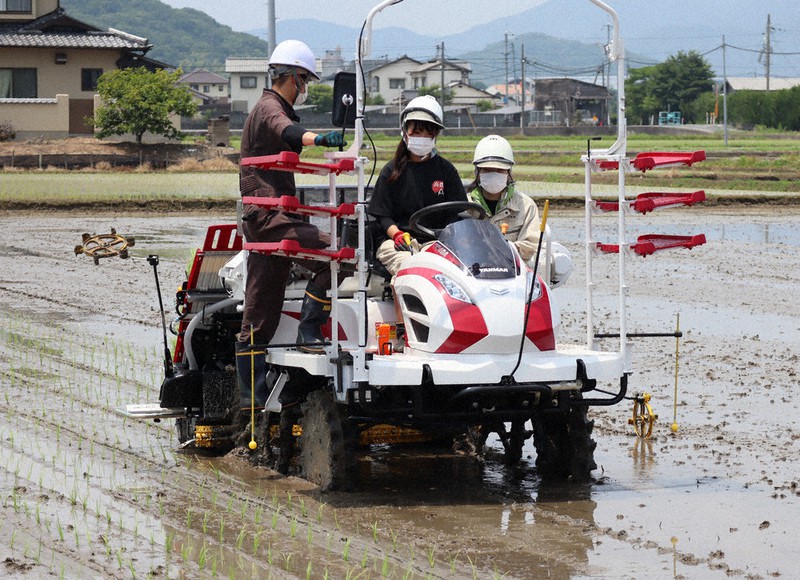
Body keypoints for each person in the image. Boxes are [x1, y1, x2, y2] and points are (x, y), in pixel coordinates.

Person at [237, 39, 344, 406]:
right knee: (335, 254)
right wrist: (320, 138)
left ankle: (255, 401)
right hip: (269, 218)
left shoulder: (269, 106)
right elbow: (288, 132)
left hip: (271, 219)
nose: (305, 90)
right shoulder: (269, 107)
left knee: (260, 308)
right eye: (305, 82)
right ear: (295, 77)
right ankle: (308, 330)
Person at [367, 95, 467, 277]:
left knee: (446, 271)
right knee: (410, 269)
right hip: (398, 240)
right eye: (416, 132)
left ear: (436, 135)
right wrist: (397, 235)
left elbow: (456, 212)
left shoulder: (446, 170)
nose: (422, 137)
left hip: (436, 241)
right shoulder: (392, 170)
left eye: (428, 133)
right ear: (405, 132)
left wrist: (446, 239)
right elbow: (383, 215)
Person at [467, 134, 572, 286]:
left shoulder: (525, 205)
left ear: (509, 173)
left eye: (499, 170)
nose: (493, 174)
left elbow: (532, 244)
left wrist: (507, 249)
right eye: (487, 170)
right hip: (473, 275)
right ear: (477, 172)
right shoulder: (465, 204)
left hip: (513, 277)